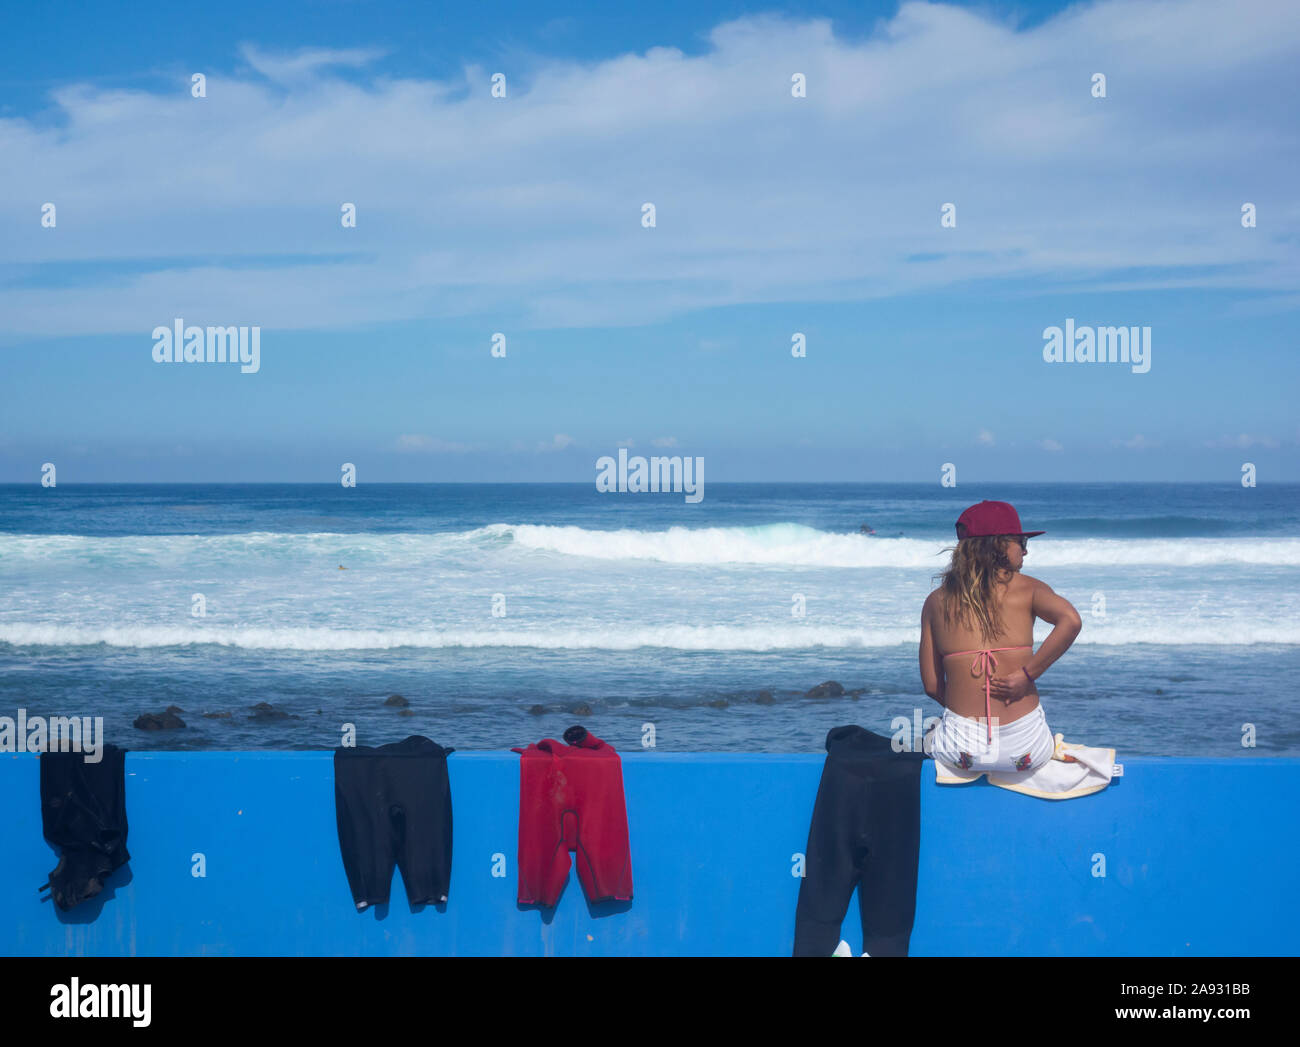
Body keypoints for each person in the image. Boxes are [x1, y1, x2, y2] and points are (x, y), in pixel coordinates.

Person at [918, 500, 1082, 773]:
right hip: (1026, 749)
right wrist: (1026, 675)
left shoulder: (936, 602)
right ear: (1000, 544)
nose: (1026, 552)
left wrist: (968, 714)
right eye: (1021, 542)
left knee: (931, 733)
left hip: (962, 750)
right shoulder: (1029, 588)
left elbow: (932, 686)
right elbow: (1072, 621)